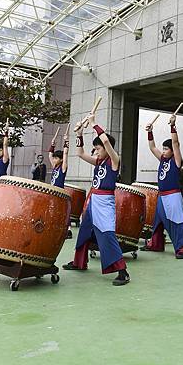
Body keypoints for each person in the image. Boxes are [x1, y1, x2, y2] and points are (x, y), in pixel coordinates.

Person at [63, 113, 130, 286]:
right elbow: (80, 153)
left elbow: (106, 142)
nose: (96, 151)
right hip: (93, 200)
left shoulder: (114, 160)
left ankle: (122, 271)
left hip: (105, 201)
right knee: (84, 231)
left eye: (98, 148)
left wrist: (93, 123)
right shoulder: (99, 162)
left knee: (107, 234)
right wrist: (78, 134)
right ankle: (79, 262)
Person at [140, 114, 183, 259]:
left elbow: (176, 143)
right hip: (162, 196)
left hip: (173, 196)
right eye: (164, 148)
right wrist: (150, 131)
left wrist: (173, 126)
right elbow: (152, 147)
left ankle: (182, 248)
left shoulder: (177, 161)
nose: (163, 151)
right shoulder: (162, 159)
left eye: (166, 149)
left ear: (172, 151)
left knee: (176, 222)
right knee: (158, 221)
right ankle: (156, 244)